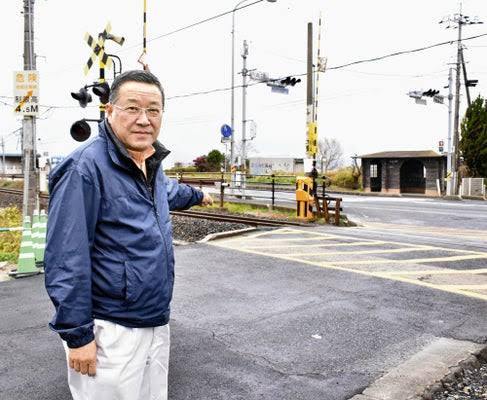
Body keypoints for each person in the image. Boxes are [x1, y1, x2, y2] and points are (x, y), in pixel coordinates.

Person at [44, 70, 213, 400]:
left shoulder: (149, 162)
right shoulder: (84, 168)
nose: (144, 120)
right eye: (132, 108)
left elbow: (168, 192)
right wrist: (78, 336)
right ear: (109, 110)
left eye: (153, 110)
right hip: (110, 328)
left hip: (154, 319)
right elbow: (66, 257)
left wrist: (198, 195)